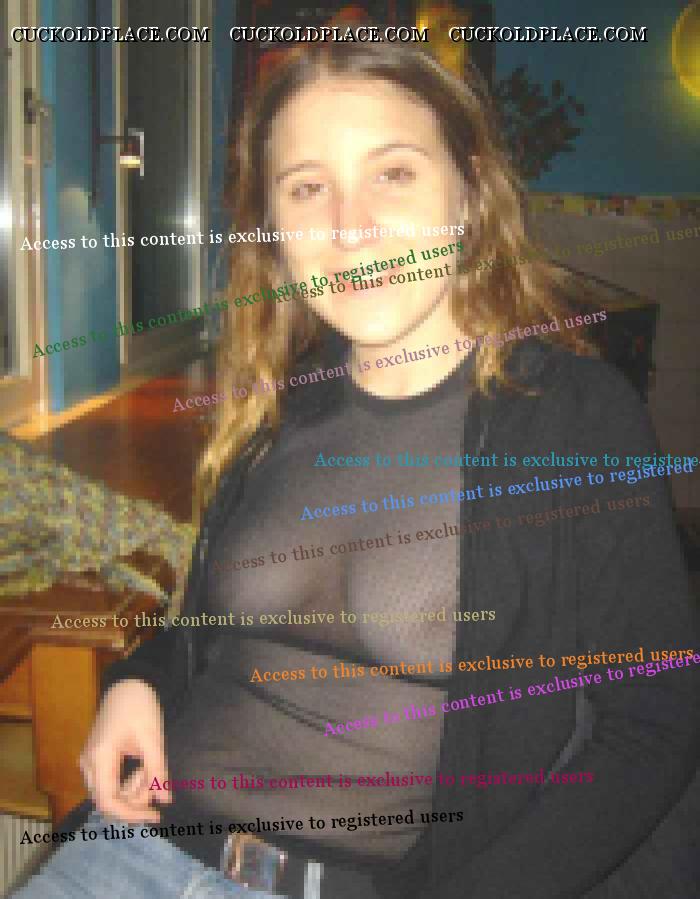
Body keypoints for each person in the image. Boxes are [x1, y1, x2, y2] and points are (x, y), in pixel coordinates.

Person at [15, 37, 699, 899]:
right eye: (308, 188)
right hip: (137, 853)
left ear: (470, 190)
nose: (350, 227)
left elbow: (651, 727)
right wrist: (139, 683)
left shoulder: (573, 416)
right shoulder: (274, 409)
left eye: (393, 173)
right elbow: (212, 642)